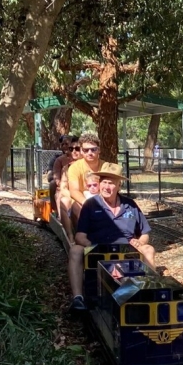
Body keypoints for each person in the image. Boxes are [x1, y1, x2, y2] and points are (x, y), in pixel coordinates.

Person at [67, 162, 156, 312]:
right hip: (98, 251)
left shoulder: (130, 205)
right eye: (104, 182)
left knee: (149, 249)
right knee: (75, 250)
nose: (106, 187)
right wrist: (92, 245)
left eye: (111, 183)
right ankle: (78, 298)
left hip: (125, 251)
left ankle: (148, 292)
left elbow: (145, 233)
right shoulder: (90, 205)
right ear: (99, 183)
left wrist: (139, 242)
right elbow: (80, 236)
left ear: (118, 186)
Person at [65, 132, 106, 234]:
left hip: (103, 199)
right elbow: (74, 191)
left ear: (99, 150)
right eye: (86, 150)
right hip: (83, 200)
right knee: (76, 207)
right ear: (82, 152)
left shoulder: (106, 166)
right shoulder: (75, 168)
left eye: (93, 149)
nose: (90, 152)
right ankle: (84, 237)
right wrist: (88, 204)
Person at [49, 136, 76, 211]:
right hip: (63, 183)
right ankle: (55, 209)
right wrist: (61, 184)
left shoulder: (80, 157)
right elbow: (55, 175)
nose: (64, 146)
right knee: (52, 184)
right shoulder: (57, 159)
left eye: (66, 144)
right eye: (62, 144)